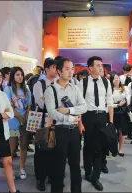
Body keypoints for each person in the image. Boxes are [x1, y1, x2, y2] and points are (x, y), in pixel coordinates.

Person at [44, 58, 87, 193]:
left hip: (74, 132)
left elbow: (84, 107)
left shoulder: (75, 87)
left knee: (75, 166)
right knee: (58, 167)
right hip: (60, 131)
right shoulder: (51, 90)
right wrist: (70, 119)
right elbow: (52, 112)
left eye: (72, 69)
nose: (70, 72)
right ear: (59, 71)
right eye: (67, 69)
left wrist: (69, 111)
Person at [78, 56, 114, 191]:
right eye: (98, 65)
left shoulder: (106, 82)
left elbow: (110, 103)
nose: (101, 68)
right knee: (87, 146)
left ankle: (95, 176)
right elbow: (79, 104)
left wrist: (111, 122)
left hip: (102, 117)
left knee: (100, 147)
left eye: (101, 65)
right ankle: (88, 172)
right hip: (88, 116)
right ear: (90, 68)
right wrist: (80, 122)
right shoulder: (83, 82)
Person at [33, 58, 58, 191]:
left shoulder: (60, 83)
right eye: (53, 67)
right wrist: (54, 103)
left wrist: (49, 101)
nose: (56, 70)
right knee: (41, 151)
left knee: (55, 150)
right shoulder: (39, 85)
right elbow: (42, 104)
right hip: (42, 123)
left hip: (57, 121)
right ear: (47, 69)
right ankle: (40, 179)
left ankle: (52, 175)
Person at [4, 67, 32, 180]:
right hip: (13, 121)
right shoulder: (8, 89)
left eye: (21, 74)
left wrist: (26, 116)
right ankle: (9, 170)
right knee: (12, 147)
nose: (20, 77)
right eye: (17, 75)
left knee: (24, 145)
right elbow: (9, 106)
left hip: (24, 121)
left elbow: (29, 105)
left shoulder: (26, 90)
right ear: (12, 76)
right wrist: (20, 117)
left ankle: (22, 168)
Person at [110, 73, 131, 156]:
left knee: (122, 131)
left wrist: (125, 102)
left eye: (117, 78)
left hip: (123, 111)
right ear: (111, 80)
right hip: (113, 110)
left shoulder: (124, 88)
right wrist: (117, 105)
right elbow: (108, 102)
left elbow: (128, 98)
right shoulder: (109, 89)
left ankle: (120, 149)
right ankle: (113, 149)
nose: (116, 80)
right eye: (114, 78)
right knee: (112, 131)